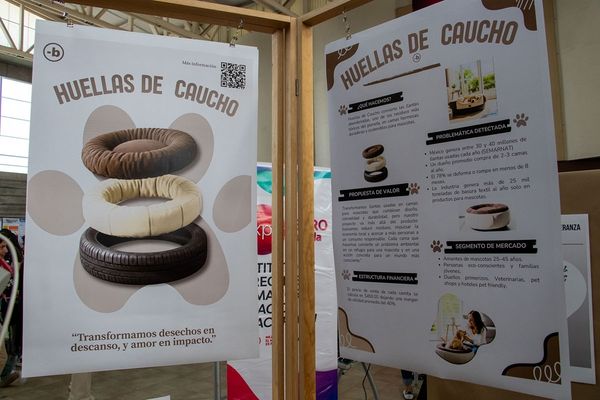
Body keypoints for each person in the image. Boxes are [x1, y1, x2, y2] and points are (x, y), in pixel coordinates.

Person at [0, 230, 23, 387]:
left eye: (5, 246)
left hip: (9, 306)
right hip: (8, 305)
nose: (6, 250)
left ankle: (5, 374)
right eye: (2, 247)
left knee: (9, 345)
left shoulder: (9, 263)